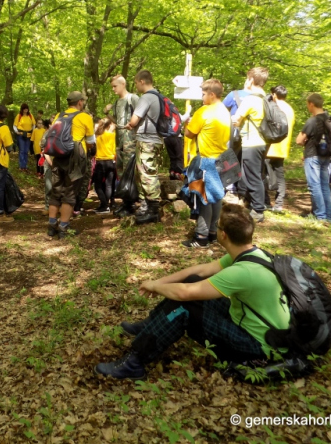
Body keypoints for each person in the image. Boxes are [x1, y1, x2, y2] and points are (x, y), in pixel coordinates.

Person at [94, 204, 290, 380]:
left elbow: (184, 294)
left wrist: (156, 288)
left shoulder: (242, 271)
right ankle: (150, 325)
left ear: (223, 235)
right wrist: (158, 282)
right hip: (257, 329)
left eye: (217, 225)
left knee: (184, 308)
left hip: (258, 347)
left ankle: (134, 363)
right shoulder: (251, 254)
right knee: (193, 281)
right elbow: (199, 272)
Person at [181, 79, 231, 248]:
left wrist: (186, 124)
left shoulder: (204, 111)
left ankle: (201, 237)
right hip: (222, 159)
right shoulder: (225, 111)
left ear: (212, 94)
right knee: (216, 197)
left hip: (206, 160)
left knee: (203, 198)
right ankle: (212, 233)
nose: (202, 98)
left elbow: (189, 133)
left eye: (203, 94)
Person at [47, 92, 96, 237]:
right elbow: (91, 142)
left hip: (58, 156)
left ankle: (51, 225)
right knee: (70, 192)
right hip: (75, 158)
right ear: (80, 102)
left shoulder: (59, 116)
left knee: (56, 190)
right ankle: (63, 227)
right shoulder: (85, 117)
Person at [123, 70, 164, 225]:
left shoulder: (146, 97)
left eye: (136, 83)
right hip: (156, 140)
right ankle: (147, 206)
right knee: (146, 172)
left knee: (147, 174)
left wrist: (130, 125)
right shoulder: (159, 96)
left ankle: (153, 211)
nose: (135, 86)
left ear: (142, 81)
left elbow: (134, 121)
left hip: (147, 141)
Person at [232, 67, 269, 223]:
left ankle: (258, 210)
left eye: (247, 78)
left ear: (251, 80)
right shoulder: (266, 98)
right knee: (256, 175)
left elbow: (236, 119)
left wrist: (234, 120)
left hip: (251, 142)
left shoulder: (250, 99)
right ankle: (255, 205)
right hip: (263, 142)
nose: (245, 81)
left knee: (252, 177)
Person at [296, 93, 331, 224]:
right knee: (324, 186)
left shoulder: (312, 121)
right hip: (326, 156)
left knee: (315, 186)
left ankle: (320, 216)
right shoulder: (329, 119)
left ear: (311, 104)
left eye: (307, 104)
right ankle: (328, 217)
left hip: (312, 155)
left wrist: (304, 139)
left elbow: (299, 140)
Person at [106, 75, 141, 217]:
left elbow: (141, 117)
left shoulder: (133, 98)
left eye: (115, 86)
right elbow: (117, 122)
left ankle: (132, 202)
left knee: (130, 171)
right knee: (120, 171)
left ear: (123, 84)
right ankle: (126, 202)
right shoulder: (117, 102)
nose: (113, 89)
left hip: (131, 141)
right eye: (112, 87)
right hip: (119, 141)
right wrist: (107, 114)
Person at [264, 85, 295, 213]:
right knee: (280, 175)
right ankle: (279, 204)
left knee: (263, 173)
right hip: (282, 146)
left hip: (270, 144)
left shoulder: (273, 106)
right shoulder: (290, 109)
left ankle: (265, 201)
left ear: (275, 95)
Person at [92, 117, 116, 214]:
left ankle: (104, 205)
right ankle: (104, 205)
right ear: (109, 125)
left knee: (97, 185)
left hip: (101, 162)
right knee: (108, 185)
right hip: (111, 161)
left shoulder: (97, 135)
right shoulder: (113, 135)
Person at [13, 103, 35, 171]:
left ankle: (25, 166)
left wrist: (33, 132)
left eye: (26, 108)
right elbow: (14, 125)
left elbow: (34, 125)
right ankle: (21, 166)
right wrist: (16, 131)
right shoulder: (19, 116)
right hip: (21, 135)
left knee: (26, 151)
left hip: (28, 135)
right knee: (22, 150)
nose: (26, 110)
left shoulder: (30, 116)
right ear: (22, 109)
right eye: (24, 108)